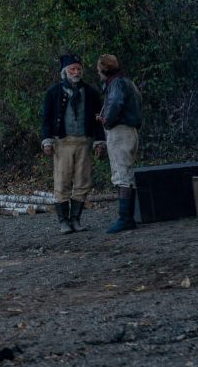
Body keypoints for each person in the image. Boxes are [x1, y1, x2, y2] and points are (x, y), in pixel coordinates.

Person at [40, 54, 106, 233]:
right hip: (62, 143)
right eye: (72, 69)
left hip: (84, 141)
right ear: (65, 72)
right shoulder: (53, 92)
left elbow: (98, 119)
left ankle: (75, 220)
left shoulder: (91, 92)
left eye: (78, 69)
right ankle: (63, 222)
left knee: (82, 181)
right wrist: (47, 141)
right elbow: (46, 119)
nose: (76, 72)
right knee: (62, 182)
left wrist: (99, 142)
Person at [96, 54, 143, 233]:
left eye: (99, 69)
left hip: (120, 132)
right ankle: (127, 217)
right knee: (125, 173)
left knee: (122, 174)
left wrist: (106, 120)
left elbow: (115, 103)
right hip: (130, 131)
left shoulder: (116, 84)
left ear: (103, 69)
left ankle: (125, 219)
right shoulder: (126, 82)